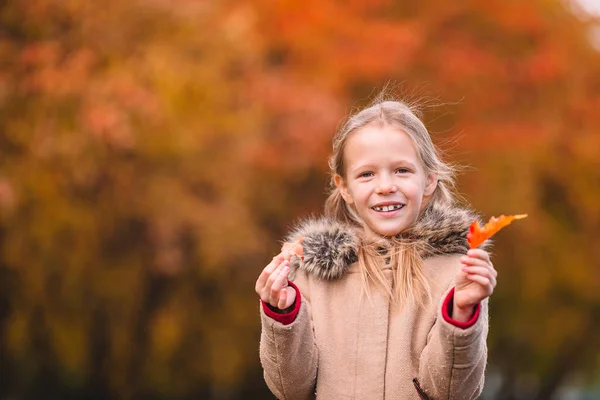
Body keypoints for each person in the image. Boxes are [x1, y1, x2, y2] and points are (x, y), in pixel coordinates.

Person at [255, 99, 497, 399]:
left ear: (429, 181)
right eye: (367, 174)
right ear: (344, 187)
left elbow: (452, 392)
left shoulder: (458, 274)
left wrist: (460, 312)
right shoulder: (312, 274)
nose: (385, 186)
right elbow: (290, 388)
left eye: (402, 170)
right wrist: (283, 314)